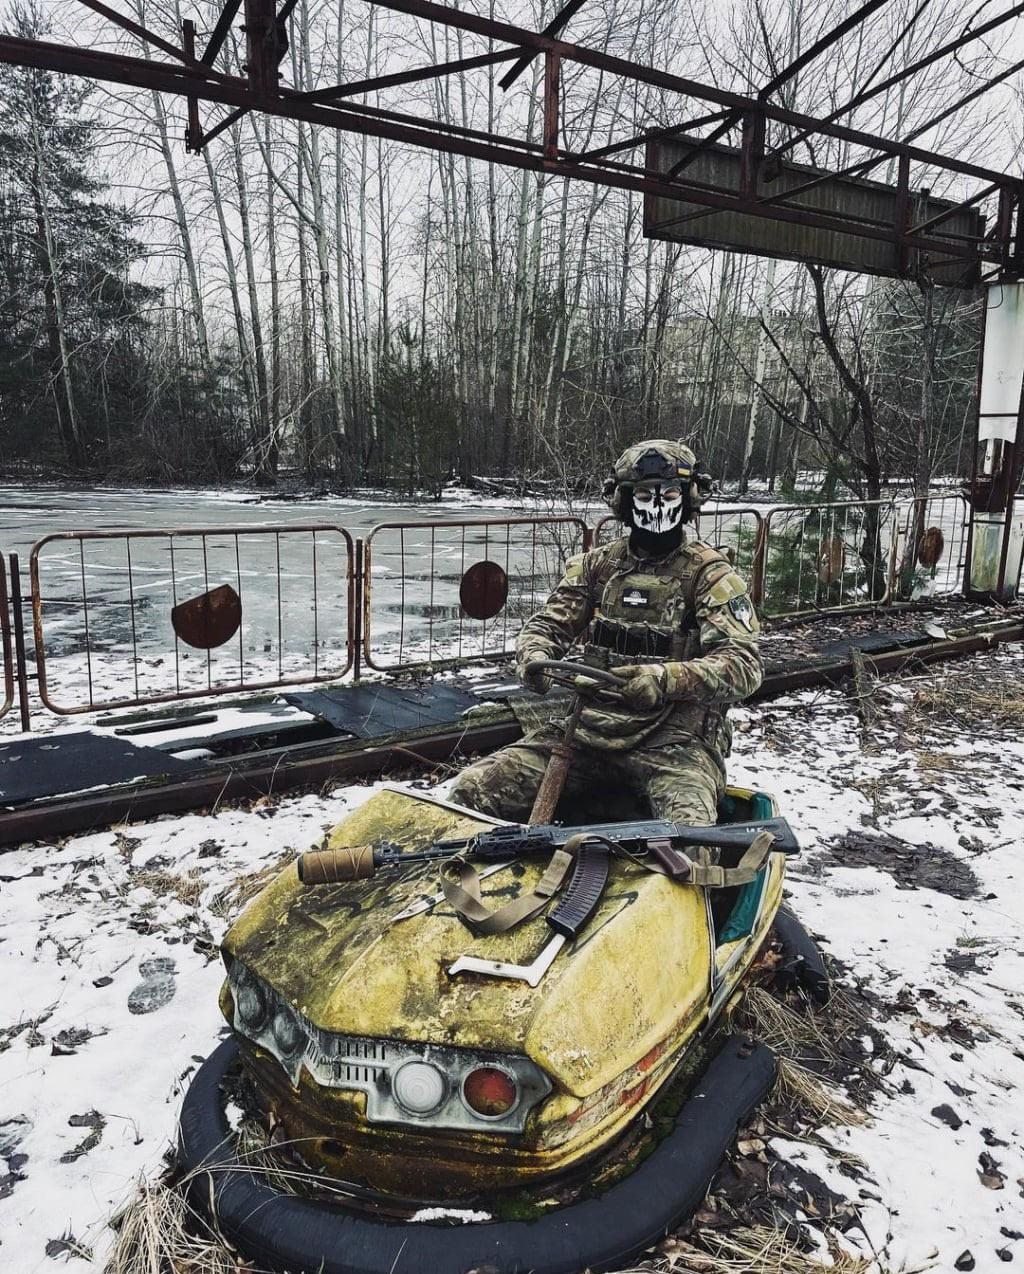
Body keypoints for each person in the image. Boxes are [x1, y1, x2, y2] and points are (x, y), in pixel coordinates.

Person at [449, 440, 762, 837]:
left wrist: (663, 679)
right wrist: (533, 654)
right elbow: (548, 624)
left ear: (689, 498)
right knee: (471, 791)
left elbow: (743, 665)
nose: (657, 506)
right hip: (586, 732)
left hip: (674, 742)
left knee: (691, 837)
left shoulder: (710, 575)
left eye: (669, 495)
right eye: (644, 495)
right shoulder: (599, 566)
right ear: (623, 500)